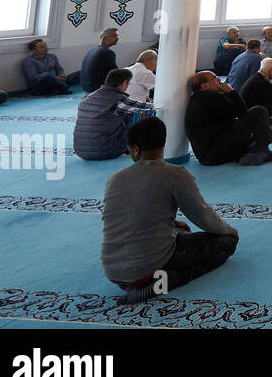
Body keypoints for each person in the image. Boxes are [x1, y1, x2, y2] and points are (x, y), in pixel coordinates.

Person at [101, 117, 239, 305]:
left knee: (181, 231)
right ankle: (166, 282)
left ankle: (155, 279)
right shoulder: (175, 174)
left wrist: (172, 224)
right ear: (163, 143)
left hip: (113, 272)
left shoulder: (114, 179)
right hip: (148, 269)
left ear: (135, 149)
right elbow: (202, 215)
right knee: (227, 242)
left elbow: (123, 217)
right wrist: (228, 230)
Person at [185, 71, 272, 166]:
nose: (219, 80)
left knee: (255, 134)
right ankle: (263, 151)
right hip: (216, 152)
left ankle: (247, 154)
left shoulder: (198, 99)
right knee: (259, 111)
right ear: (204, 86)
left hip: (206, 155)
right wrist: (231, 92)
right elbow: (242, 111)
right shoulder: (213, 98)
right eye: (214, 78)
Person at [73, 68, 151, 161]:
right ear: (124, 83)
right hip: (106, 151)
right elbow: (149, 108)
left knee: (123, 113)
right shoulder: (119, 100)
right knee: (136, 115)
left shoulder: (89, 97)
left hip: (81, 151)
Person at [81, 27, 120, 94]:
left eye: (117, 36)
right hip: (97, 89)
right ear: (104, 38)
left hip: (87, 88)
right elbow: (114, 73)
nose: (117, 38)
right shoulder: (107, 52)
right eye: (114, 36)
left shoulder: (93, 49)